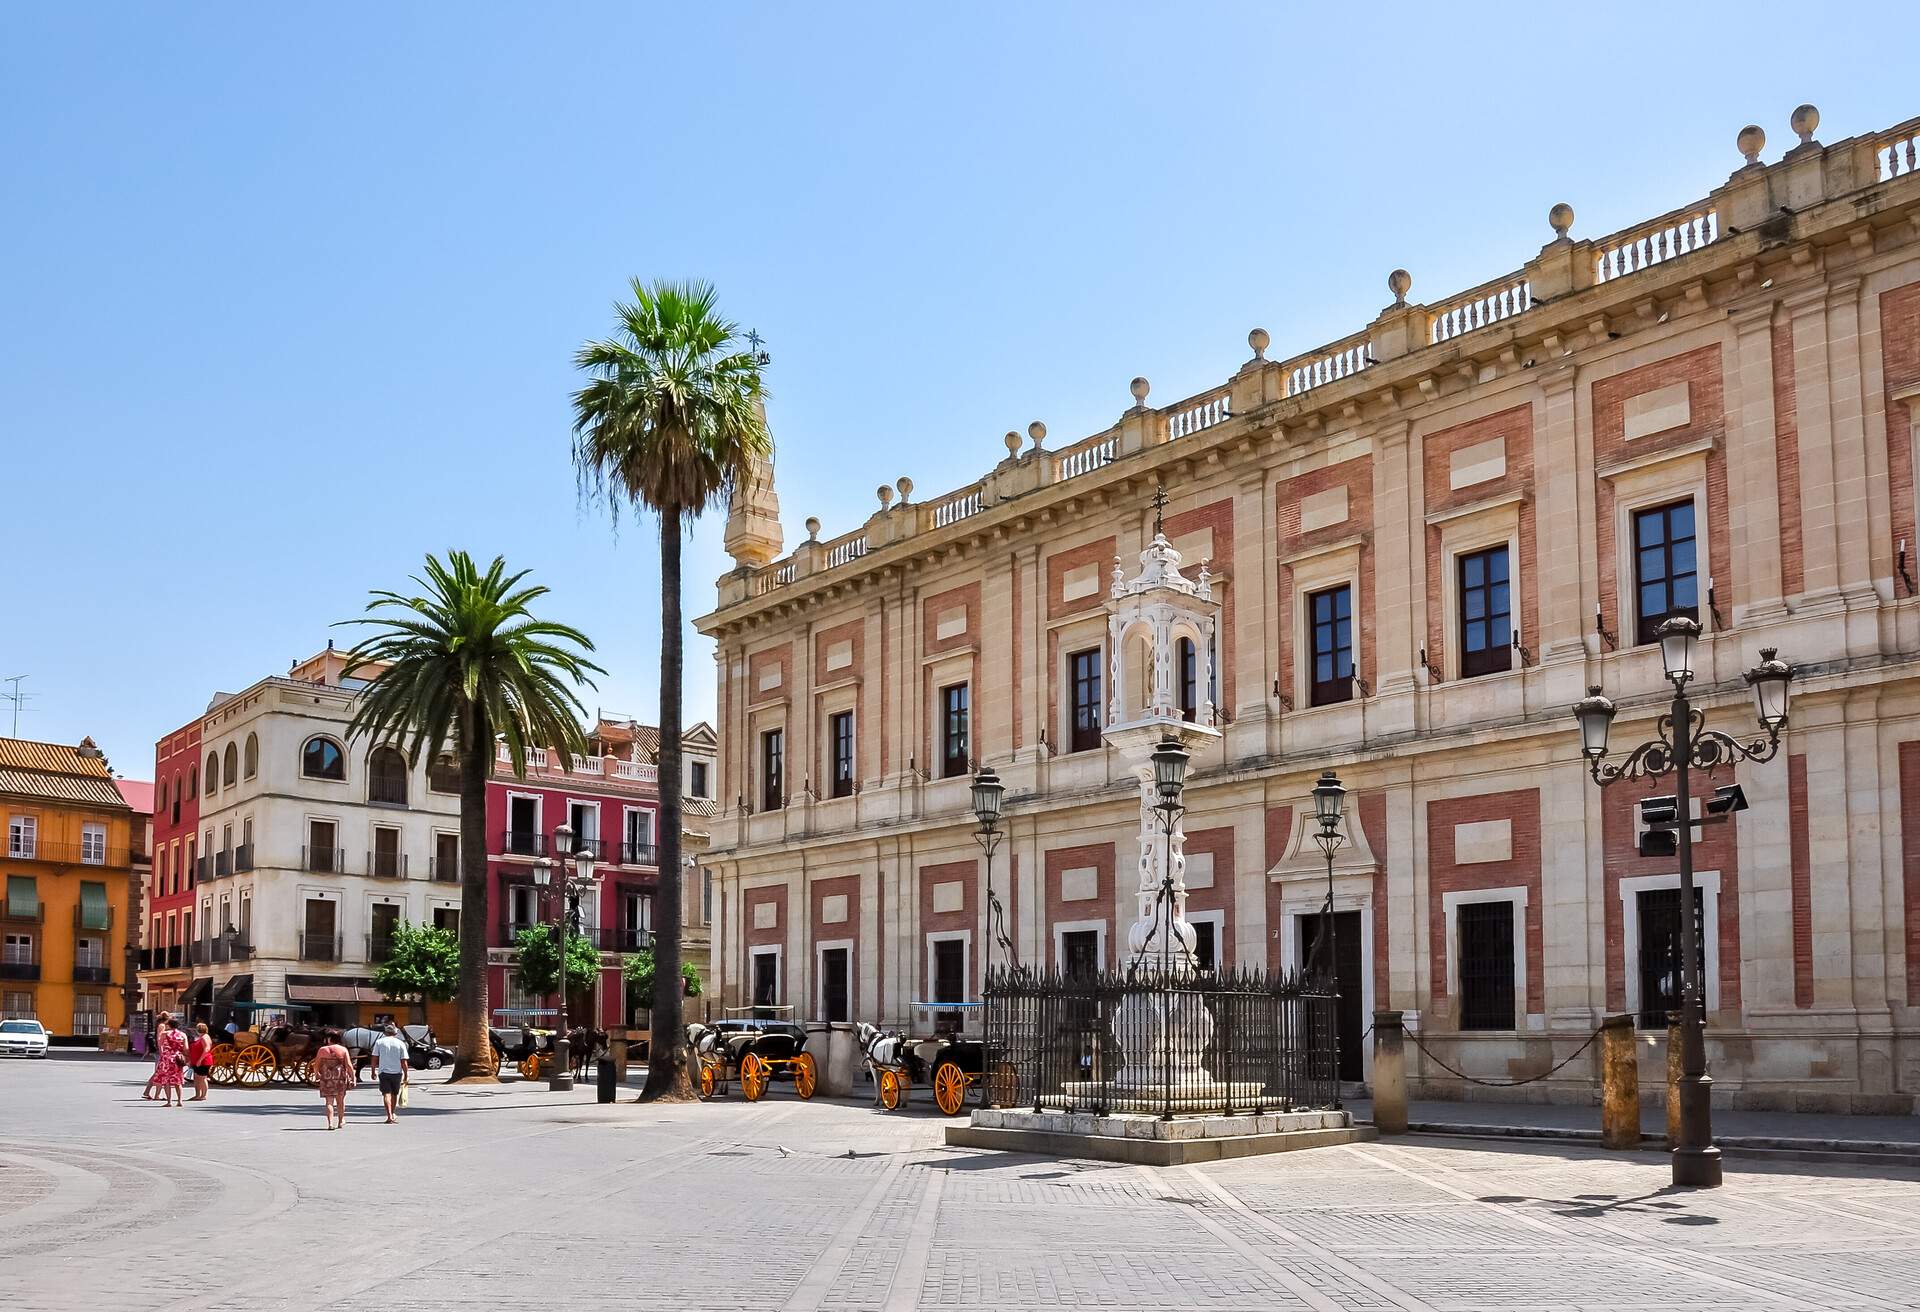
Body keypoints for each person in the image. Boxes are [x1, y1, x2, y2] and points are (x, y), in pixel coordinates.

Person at [311, 1028, 356, 1130]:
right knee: (340, 1101)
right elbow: (349, 1066)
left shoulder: (322, 1050)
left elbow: (316, 1065)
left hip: (326, 1078)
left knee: (329, 1102)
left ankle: (330, 1123)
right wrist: (353, 1078)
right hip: (340, 1078)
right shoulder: (343, 1050)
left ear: (329, 1038)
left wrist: (317, 1074)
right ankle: (341, 1121)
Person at [370, 1023, 410, 1124]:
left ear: (385, 1033)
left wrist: (373, 1071)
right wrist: (406, 1074)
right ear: (395, 1033)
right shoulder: (401, 1043)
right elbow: (404, 1061)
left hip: (383, 1072)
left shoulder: (379, 1042)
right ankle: (392, 1113)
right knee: (394, 1094)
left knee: (386, 1094)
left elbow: (374, 1058)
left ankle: (389, 1116)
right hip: (397, 1072)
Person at [151, 1015, 187, 1108]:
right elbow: (186, 1048)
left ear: (169, 1025)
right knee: (178, 1080)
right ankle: (179, 1101)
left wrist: (164, 1053)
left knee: (166, 1080)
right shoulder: (183, 1035)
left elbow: (160, 1045)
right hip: (177, 1058)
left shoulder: (164, 1034)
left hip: (167, 1059)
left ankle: (169, 1101)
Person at [186, 1022, 214, 1101]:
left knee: (202, 1078)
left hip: (203, 1061)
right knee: (197, 1078)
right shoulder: (202, 1037)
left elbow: (207, 1049)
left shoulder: (204, 1037)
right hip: (197, 1060)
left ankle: (203, 1095)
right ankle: (198, 1095)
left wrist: (200, 1060)